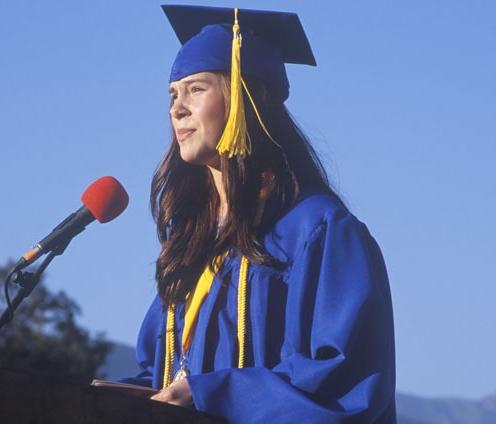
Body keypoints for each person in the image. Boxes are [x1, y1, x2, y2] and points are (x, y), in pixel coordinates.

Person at [121, 5, 396, 423]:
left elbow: (345, 379)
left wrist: (212, 394)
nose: (178, 108)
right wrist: (123, 397)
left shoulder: (317, 229)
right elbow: (162, 370)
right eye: (173, 94)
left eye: (196, 89)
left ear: (253, 97)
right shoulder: (193, 244)